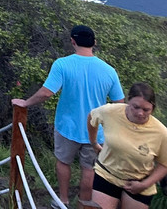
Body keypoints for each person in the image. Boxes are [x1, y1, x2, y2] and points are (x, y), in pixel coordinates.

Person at [12, 24, 124, 206]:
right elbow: (120, 103)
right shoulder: (109, 71)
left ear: (72, 41)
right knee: (89, 170)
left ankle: (62, 200)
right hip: (96, 131)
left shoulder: (62, 64)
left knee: (63, 162)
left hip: (67, 126)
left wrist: (25, 103)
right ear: (94, 43)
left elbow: (47, 92)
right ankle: (84, 203)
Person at [87, 83, 167, 209]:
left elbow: (164, 164)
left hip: (139, 181)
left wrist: (145, 184)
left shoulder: (161, 132)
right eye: (136, 107)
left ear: (153, 108)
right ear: (128, 101)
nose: (140, 113)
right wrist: (94, 143)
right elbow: (92, 117)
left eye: (146, 110)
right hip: (107, 174)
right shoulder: (110, 111)